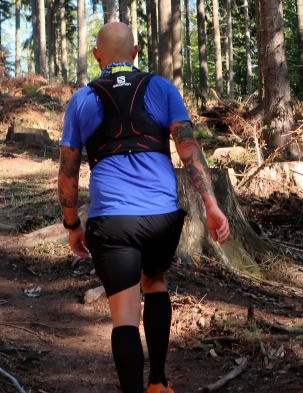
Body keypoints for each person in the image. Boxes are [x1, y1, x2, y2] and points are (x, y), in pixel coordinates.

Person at [58, 22, 230, 393]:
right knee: (155, 282)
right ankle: (159, 382)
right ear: (135, 53)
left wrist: (72, 226)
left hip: (112, 221)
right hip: (160, 218)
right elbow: (188, 148)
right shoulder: (162, 88)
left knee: (124, 317)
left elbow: (68, 171)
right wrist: (211, 204)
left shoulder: (83, 99)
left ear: (97, 56)